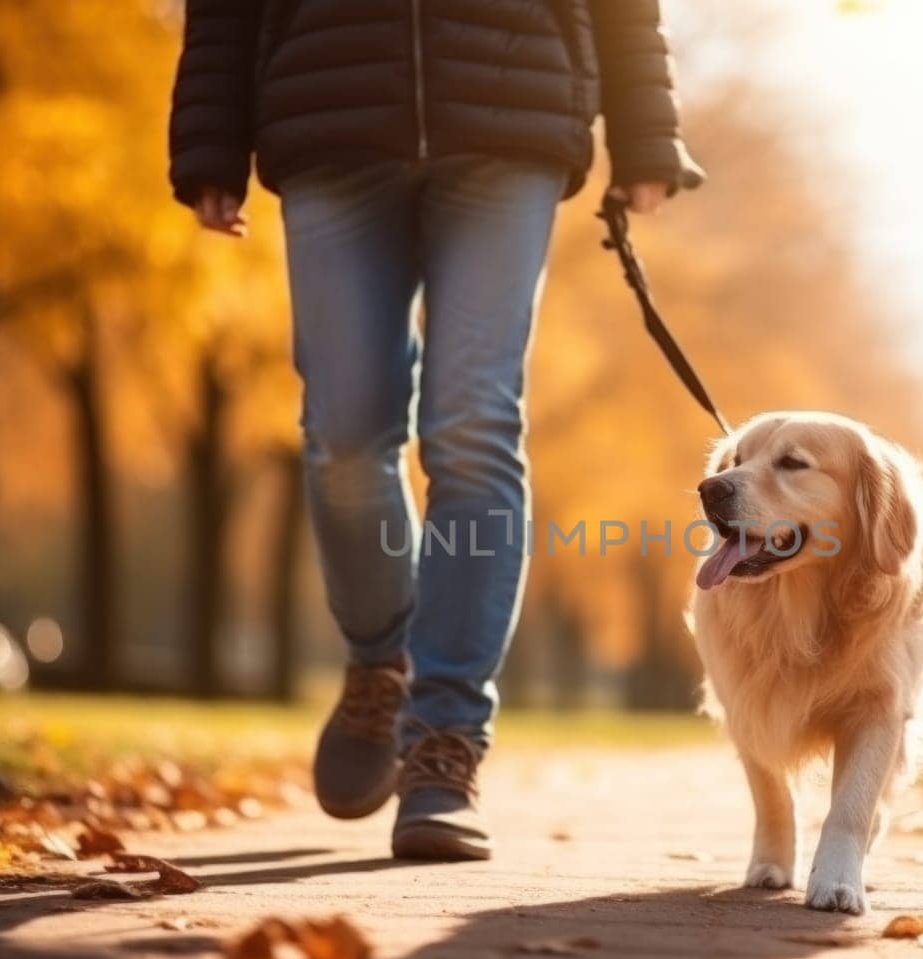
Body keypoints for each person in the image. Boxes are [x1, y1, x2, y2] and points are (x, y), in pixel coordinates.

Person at [168, 0, 703, 862]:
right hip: (327, 108)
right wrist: (210, 138)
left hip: (510, 108)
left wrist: (646, 131)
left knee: (473, 423)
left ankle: (444, 745)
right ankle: (383, 663)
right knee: (343, 436)